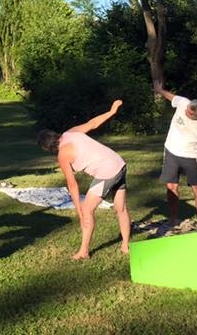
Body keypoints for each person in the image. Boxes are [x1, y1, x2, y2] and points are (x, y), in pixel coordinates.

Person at [37, 100, 130, 259]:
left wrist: (80, 212)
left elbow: (72, 185)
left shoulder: (62, 155)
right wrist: (112, 111)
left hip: (108, 172)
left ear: (47, 148)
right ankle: (125, 246)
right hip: (120, 164)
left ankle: (84, 251)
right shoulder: (70, 132)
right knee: (121, 208)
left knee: (87, 210)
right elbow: (93, 123)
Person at [155, 84, 197, 230]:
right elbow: (172, 97)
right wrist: (160, 90)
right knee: (171, 186)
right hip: (171, 151)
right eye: (186, 110)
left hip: (190, 157)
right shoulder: (184, 103)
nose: (186, 113)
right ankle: (173, 219)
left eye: (189, 113)